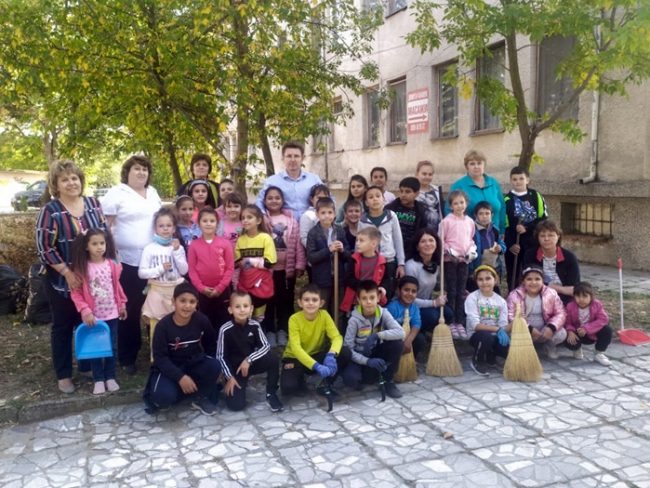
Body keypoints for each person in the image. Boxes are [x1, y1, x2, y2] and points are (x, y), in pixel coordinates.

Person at [36, 160, 108, 393]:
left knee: (87, 321)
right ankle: (64, 374)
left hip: (92, 279)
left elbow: (105, 235)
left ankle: (87, 366)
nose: (71, 183)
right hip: (61, 280)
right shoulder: (50, 211)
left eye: (74, 178)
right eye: (65, 179)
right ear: (55, 184)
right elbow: (45, 248)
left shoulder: (93, 204)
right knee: (63, 326)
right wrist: (67, 273)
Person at [102, 155, 162, 375]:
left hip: (154, 261)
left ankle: (157, 353)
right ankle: (128, 356)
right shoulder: (117, 193)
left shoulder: (153, 192)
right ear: (127, 172)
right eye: (137, 168)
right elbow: (105, 226)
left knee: (155, 307)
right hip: (127, 262)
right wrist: (108, 256)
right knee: (129, 309)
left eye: (145, 169)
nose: (141, 172)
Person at [143, 282, 221, 416]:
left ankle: (200, 396)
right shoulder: (163, 326)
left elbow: (211, 346)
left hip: (193, 363)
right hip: (170, 368)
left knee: (214, 365)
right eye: (182, 301)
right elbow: (160, 358)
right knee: (163, 398)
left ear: (196, 304)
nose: (187, 305)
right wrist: (180, 377)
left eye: (192, 302)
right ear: (174, 302)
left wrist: (212, 374)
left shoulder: (201, 320)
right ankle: (181, 390)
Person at [70, 228, 127, 395]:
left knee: (111, 346)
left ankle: (110, 377)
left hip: (112, 314)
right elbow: (76, 292)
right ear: (86, 246)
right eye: (94, 244)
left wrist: (122, 304)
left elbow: (117, 286)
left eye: (102, 243)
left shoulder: (112, 265)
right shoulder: (81, 268)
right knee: (95, 349)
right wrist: (85, 310)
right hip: (93, 317)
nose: (99, 247)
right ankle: (98, 379)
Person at [216, 292, 284, 412]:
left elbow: (265, 346)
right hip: (236, 369)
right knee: (236, 405)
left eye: (245, 306)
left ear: (251, 308)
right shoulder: (225, 329)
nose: (242, 310)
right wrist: (229, 377)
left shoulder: (255, 325)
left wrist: (249, 360)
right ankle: (224, 384)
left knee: (273, 359)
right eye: (237, 307)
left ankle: (271, 393)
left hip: (250, 363)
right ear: (230, 310)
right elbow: (220, 356)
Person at [281, 284, 352, 397]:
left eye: (314, 300)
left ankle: (325, 384)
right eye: (306, 300)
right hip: (295, 358)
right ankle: (300, 379)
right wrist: (316, 366)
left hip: (316, 354)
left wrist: (331, 355)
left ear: (321, 303)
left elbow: (337, 337)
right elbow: (296, 348)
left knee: (345, 352)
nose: (310, 303)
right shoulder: (294, 319)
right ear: (300, 303)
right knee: (288, 388)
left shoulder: (324, 315)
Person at [342, 280, 405, 398]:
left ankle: (388, 380)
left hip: (376, 351)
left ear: (378, 298)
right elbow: (348, 349)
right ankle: (371, 375)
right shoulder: (353, 320)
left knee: (398, 344)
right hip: (360, 357)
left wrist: (377, 335)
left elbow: (401, 332)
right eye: (364, 298)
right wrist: (367, 361)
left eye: (372, 297)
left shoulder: (383, 313)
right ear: (358, 300)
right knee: (351, 379)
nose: (369, 302)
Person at [262, 186, 306, 347]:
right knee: (268, 301)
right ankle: (269, 331)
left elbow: (298, 245)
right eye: (270, 198)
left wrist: (300, 264)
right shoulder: (262, 220)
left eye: (277, 198)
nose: (273, 201)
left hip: (286, 271)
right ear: (264, 201)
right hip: (267, 271)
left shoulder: (291, 220)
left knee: (285, 301)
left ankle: (283, 330)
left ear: (282, 200)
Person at [139, 207, 189, 348]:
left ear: (174, 228)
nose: (165, 228)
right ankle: (157, 355)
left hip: (175, 291)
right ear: (155, 228)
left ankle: (177, 352)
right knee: (157, 325)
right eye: (161, 226)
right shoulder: (150, 248)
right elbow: (142, 273)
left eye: (169, 225)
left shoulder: (178, 247)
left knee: (177, 322)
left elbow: (184, 270)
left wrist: (177, 252)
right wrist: (160, 269)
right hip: (157, 291)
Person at [188, 207, 235, 332]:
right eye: (205, 221)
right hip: (202, 292)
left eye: (212, 221)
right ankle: (208, 342)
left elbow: (230, 268)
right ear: (199, 224)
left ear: (217, 223)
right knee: (205, 320)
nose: (208, 224)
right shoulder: (194, 245)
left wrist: (220, 287)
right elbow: (192, 270)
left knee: (223, 319)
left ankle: (223, 341)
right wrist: (201, 288)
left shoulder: (225, 243)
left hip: (222, 291)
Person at [507, 266, 567, 359]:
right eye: (529, 279)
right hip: (525, 329)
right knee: (510, 335)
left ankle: (547, 345)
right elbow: (511, 316)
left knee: (562, 333)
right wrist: (529, 329)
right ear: (523, 281)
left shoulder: (551, 293)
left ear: (543, 281)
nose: (533, 282)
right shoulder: (515, 295)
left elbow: (560, 312)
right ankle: (527, 347)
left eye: (537, 279)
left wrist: (551, 328)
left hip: (544, 329)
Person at [357, 185, 405, 300]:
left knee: (386, 293)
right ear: (366, 202)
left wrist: (401, 263)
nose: (375, 199)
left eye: (378, 196)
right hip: (370, 262)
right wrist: (357, 262)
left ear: (383, 199)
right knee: (371, 293)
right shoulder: (363, 220)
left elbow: (398, 239)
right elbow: (358, 243)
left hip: (388, 261)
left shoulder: (391, 216)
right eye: (371, 197)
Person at [504, 167, 548, 289]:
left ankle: (534, 293)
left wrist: (527, 228)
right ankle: (513, 294)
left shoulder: (536, 196)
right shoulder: (506, 200)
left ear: (527, 180)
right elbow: (505, 225)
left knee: (533, 270)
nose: (518, 182)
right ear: (510, 181)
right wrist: (510, 244)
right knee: (513, 273)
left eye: (521, 178)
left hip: (532, 242)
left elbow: (543, 219)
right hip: (514, 244)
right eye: (514, 179)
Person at [256, 141, 324, 220]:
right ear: (283, 158)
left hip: (311, 224)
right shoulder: (272, 182)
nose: (293, 160)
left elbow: (329, 199)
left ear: (302, 158)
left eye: (296, 156)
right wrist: (263, 216)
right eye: (289, 156)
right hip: (283, 226)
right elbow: (259, 201)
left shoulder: (314, 180)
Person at [441, 190, 477, 340]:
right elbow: (441, 240)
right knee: (452, 290)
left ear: (466, 203)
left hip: (464, 261)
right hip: (450, 261)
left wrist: (471, 250)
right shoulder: (446, 221)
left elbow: (471, 239)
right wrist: (450, 252)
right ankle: (450, 321)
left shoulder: (470, 221)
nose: (459, 206)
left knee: (461, 291)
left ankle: (460, 321)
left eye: (461, 202)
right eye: (455, 203)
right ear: (451, 206)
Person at [404, 228, 453, 337]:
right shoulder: (411, 266)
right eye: (423, 241)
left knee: (448, 313)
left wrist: (443, 294)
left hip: (425, 304)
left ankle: (427, 331)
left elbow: (436, 288)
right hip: (409, 307)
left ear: (436, 244)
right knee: (433, 316)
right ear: (417, 247)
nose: (428, 244)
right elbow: (407, 299)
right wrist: (434, 303)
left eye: (431, 240)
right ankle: (416, 331)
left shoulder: (435, 265)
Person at [306, 197, 349, 316]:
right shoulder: (313, 233)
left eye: (330, 212)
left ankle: (337, 328)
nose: (327, 216)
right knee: (322, 310)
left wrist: (342, 249)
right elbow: (311, 257)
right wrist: (328, 250)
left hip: (338, 278)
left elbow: (348, 255)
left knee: (338, 310)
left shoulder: (339, 230)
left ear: (334, 214)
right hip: (322, 280)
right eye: (323, 213)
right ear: (317, 214)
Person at [464, 265, 509, 375]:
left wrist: (516, 323)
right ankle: (477, 360)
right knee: (486, 337)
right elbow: (475, 325)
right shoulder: (472, 298)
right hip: (477, 335)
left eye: (488, 278)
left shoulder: (501, 301)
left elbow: (503, 325)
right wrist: (497, 329)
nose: (484, 282)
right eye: (480, 279)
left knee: (508, 346)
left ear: (496, 280)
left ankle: (491, 356)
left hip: (495, 334)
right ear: (476, 282)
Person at [235, 205, 277, 323]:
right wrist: (249, 262)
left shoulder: (265, 238)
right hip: (244, 282)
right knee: (245, 314)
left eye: (249, 217)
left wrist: (250, 261)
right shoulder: (241, 240)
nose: (245, 220)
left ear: (258, 220)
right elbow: (237, 262)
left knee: (259, 316)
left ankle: (259, 332)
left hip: (262, 284)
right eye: (243, 218)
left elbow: (270, 263)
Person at [523, 220, 580, 305]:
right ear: (537, 238)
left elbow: (574, 289)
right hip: (537, 297)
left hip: (564, 299)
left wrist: (555, 288)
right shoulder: (530, 255)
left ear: (558, 236)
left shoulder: (569, 257)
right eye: (542, 236)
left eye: (551, 235)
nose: (546, 239)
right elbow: (528, 282)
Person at [449, 150, 506, 234]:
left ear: (484, 165)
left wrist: (502, 231)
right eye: (472, 164)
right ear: (467, 167)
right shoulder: (459, 186)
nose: (476, 166)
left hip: (495, 234)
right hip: (469, 235)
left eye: (479, 163)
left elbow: (502, 208)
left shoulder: (493, 183)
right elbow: (449, 211)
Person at [563, 282, 613, 366]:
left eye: (585, 296)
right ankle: (576, 349)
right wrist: (570, 331)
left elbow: (603, 319)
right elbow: (567, 322)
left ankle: (599, 353)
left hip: (593, 332)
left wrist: (587, 328)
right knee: (567, 337)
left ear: (591, 296)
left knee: (607, 330)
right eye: (578, 296)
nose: (581, 299)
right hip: (577, 333)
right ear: (574, 296)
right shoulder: (570, 306)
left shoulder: (597, 305)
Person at [340, 226, 387, 314]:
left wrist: (383, 288)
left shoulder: (382, 261)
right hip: (356, 299)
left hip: (374, 300)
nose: (357, 243)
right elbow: (349, 279)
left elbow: (386, 279)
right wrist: (365, 287)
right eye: (357, 240)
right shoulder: (353, 259)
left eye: (361, 241)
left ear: (373, 244)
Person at [386, 177, 427, 261]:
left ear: (417, 193)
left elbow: (422, 231)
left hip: (410, 250)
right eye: (401, 191)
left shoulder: (420, 210)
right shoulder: (390, 208)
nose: (403, 195)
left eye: (407, 192)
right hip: (391, 249)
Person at [468, 201, 506, 292]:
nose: (484, 216)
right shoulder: (472, 230)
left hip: (492, 267)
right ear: (475, 215)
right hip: (477, 267)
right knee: (476, 292)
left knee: (494, 292)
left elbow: (502, 244)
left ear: (492, 215)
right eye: (481, 214)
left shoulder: (494, 230)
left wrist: (500, 248)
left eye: (487, 213)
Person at [386, 276, 426, 359]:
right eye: (406, 290)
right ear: (399, 290)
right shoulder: (392, 307)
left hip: (406, 336)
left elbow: (416, 324)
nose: (410, 294)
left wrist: (409, 340)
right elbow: (386, 329)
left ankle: (409, 359)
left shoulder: (414, 308)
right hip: (393, 337)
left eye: (413, 291)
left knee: (420, 339)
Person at [415, 160, 444, 233]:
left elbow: (441, 211)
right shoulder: (413, 191)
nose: (427, 177)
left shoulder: (437, 190)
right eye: (424, 174)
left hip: (436, 232)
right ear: (417, 174)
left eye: (430, 174)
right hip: (418, 232)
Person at [299, 183, 331, 248]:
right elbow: (304, 238)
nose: (322, 201)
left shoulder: (331, 213)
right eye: (319, 198)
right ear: (311, 199)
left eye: (325, 198)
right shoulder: (307, 216)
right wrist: (317, 250)